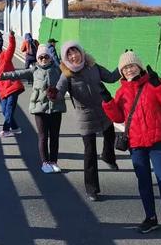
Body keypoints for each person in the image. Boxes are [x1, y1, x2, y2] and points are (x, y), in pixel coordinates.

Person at [101, 50, 161, 240]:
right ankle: (151, 217)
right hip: (136, 143)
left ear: (139, 66)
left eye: (131, 65)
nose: (129, 70)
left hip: (157, 141)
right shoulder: (121, 91)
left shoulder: (152, 84)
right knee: (144, 181)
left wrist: (159, 85)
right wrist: (107, 101)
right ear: (121, 72)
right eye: (125, 68)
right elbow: (118, 117)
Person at [48, 41, 120, 201]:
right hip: (85, 116)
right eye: (69, 54)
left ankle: (108, 157)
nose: (74, 56)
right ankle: (91, 189)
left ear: (81, 52)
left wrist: (123, 66)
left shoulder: (93, 66)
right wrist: (53, 95)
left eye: (76, 52)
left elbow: (111, 77)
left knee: (110, 135)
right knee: (90, 153)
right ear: (66, 58)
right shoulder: (66, 75)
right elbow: (59, 93)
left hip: (103, 110)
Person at [0, 44, 66, 173]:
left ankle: (54, 161)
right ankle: (45, 162)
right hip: (39, 109)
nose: (43, 59)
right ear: (37, 59)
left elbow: (70, 79)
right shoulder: (34, 70)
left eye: (46, 56)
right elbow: (17, 73)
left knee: (54, 136)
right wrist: (2, 75)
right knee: (42, 137)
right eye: (40, 57)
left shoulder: (58, 70)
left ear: (51, 58)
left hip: (56, 108)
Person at [0, 30, 25, 138]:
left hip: (13, 86)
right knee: (4, 111)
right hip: (3, 90)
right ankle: (16, 128)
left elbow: (11, 47)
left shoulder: (4, 56)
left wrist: (11, 36)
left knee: (8, 109)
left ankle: (6, 130)